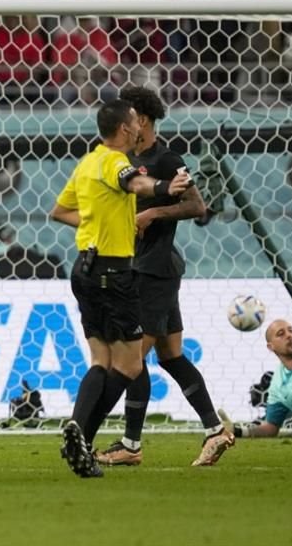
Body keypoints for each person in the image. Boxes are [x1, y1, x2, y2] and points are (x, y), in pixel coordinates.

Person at [95, 86, 235, 468]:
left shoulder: (165, 159)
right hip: (147, 268)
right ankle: (214, 430)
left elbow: (197, 205)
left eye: (128, 116)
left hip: (152, 271)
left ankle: (130, 444)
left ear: (141, 119)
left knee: (131, 357)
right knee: (171, 356)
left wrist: (152, 214)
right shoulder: (123, 161)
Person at [50, 99, 191, 478]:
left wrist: (102, 218)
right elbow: (136, 182)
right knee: (128, 364)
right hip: (114, 272)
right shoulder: (114, 161)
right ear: (126, 130)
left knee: (101, 361)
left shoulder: (87, 163)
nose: (138, 129)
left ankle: (77, 433)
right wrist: (164, 185)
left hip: (83, 269)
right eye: (133, 124)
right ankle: (82, 432)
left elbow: (59, 211)